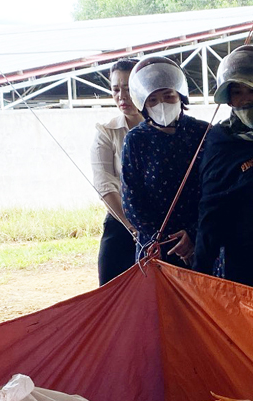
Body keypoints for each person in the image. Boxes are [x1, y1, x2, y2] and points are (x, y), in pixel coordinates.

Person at [194, 45, 253, 290]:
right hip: (243, 254)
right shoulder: (220, 140)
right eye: (237, 92)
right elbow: (211, 206)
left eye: (252, 90)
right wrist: (201, 270)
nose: (245, 100)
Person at [121, 57, 209, 266]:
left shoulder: (203, 132)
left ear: (180, 96)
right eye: (152, 99)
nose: (161, 104)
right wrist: (165, 239)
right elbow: (132, 202)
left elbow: (214, 191)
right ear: (143, 104)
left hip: (200, 243)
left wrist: (193, 235)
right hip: (155, 247)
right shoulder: (135, 140)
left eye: (168, 96)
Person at [91, 58, 142, 285]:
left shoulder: (167, 128)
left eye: (129, 88)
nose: (122, 96)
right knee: (111, 293)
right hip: (121, 222)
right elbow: (105, 185)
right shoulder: (106, 131)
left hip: (165, 225)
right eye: (115, 89)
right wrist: (132, 227)